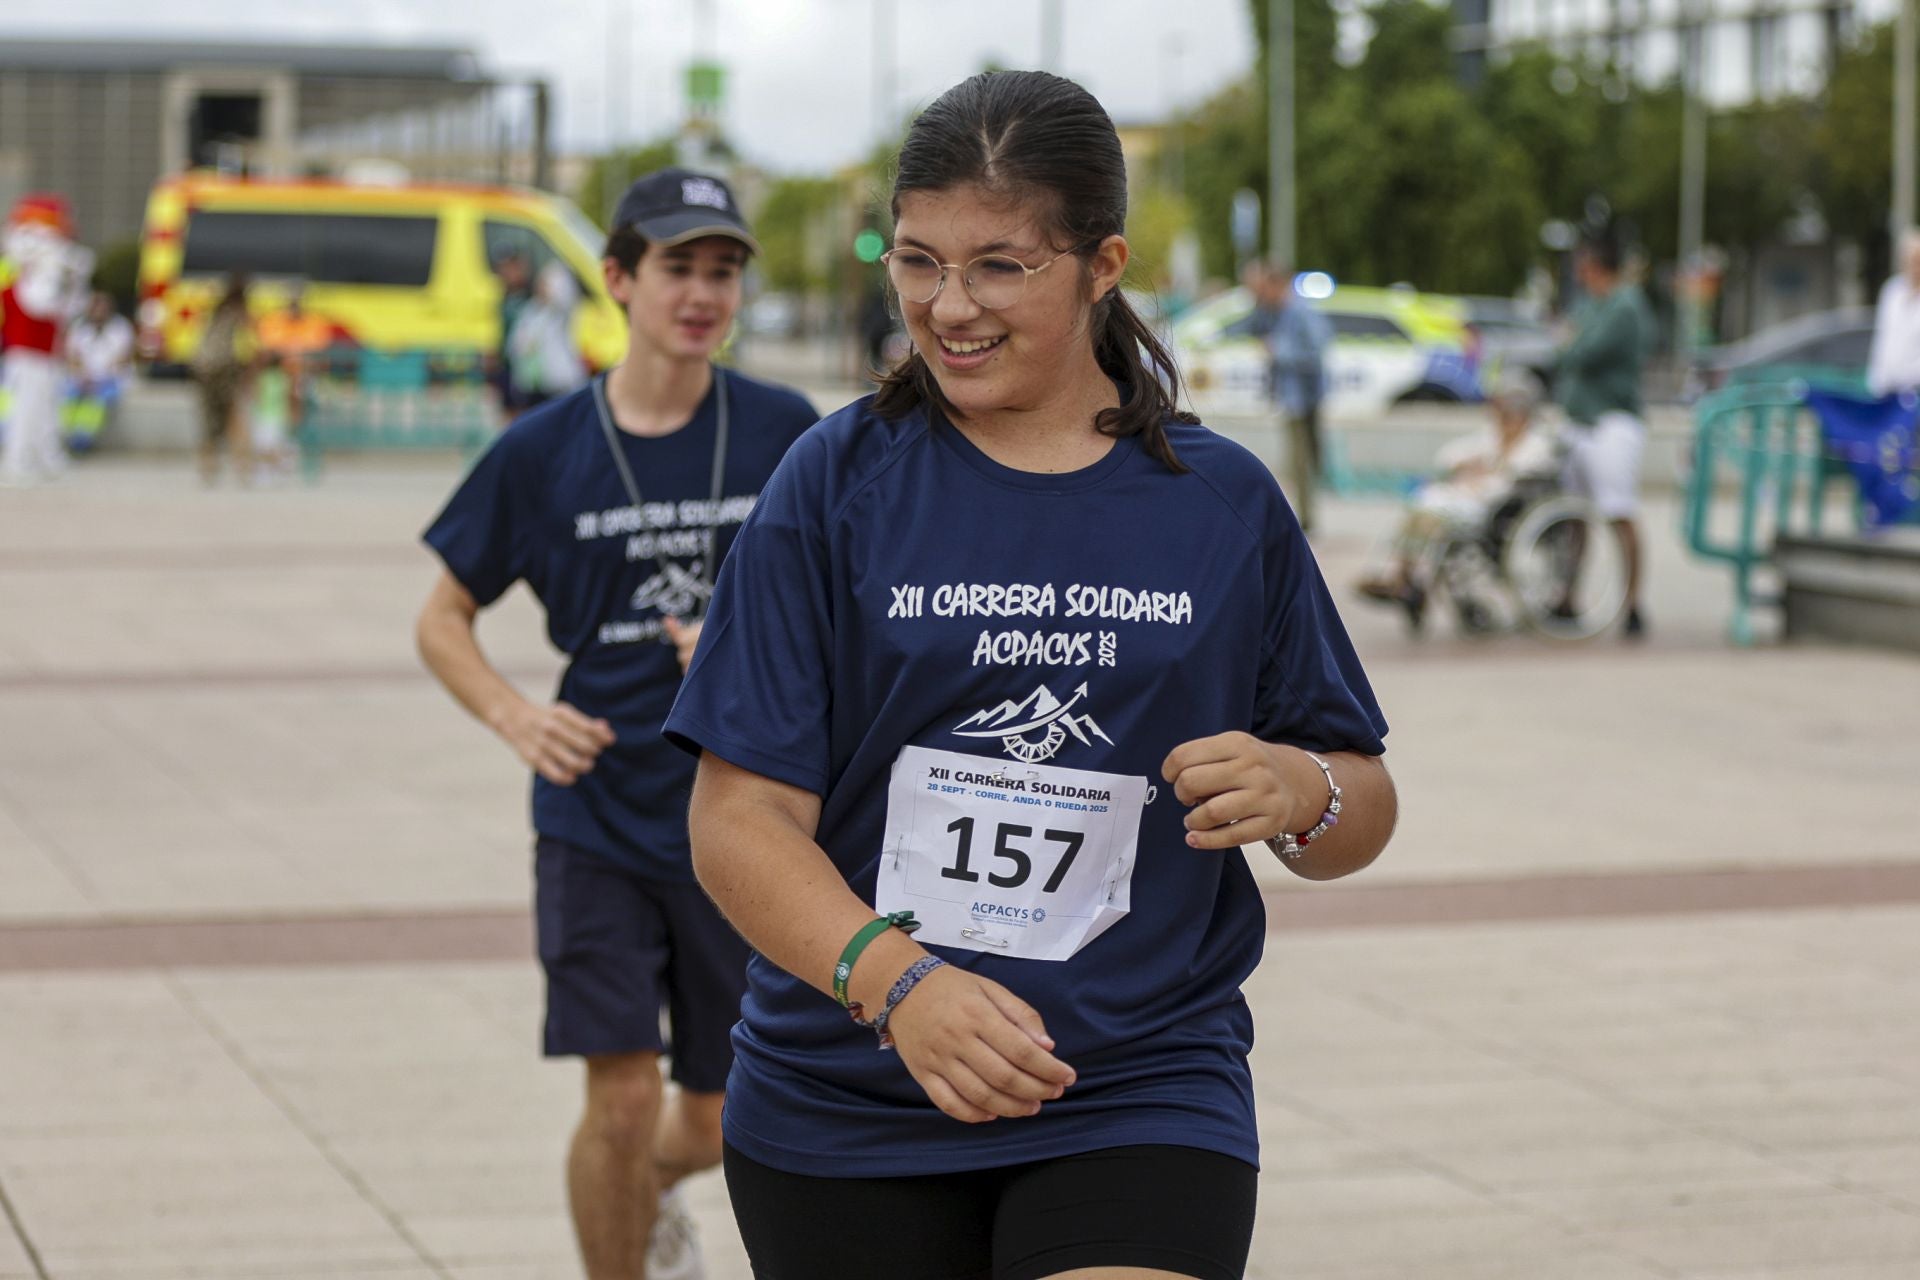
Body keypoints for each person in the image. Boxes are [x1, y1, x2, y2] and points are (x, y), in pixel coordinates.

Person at [663, 71, 1396, 1280]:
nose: (949, 307)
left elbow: (1358, 805)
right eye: (916, 262)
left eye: (1002, 266)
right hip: (850, 1098)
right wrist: (898, 984)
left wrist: (1300, 786)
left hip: (1139, 1086)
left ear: (1104, 262)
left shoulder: (1218, 504)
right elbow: (737, 821)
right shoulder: (831, 485)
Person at [415, 168, 819, 1280]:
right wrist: (514, 715)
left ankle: (638, 1201)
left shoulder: (789, 432)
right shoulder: (545, 448)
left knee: (719, 1109)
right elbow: (443, 616)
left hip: (743, 813)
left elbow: (854, 607)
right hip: (595, 814)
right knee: (623, 1092)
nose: (703, 293)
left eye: (724, 270)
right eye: (678, 267)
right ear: (618, 279)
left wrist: (752, 648)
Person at [1357, 368, 1556, 621]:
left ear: (1523, 414)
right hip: (1465, 494)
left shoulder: (1536, 444)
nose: (1502, 418)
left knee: (1432, 509)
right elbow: (1451, 455)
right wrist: (1469, 465)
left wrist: (1487, 473)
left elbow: (1517, 475)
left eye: (1508, 412)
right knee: (1422, 504)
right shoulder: (1492, 437)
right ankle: (1403, 577)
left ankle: (1407, 581)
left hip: (1492, 507)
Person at [1554, 231, 1655, 637]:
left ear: (1595, 264)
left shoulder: (1624, 306)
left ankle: (1632, 604)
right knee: (1573, 515)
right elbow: (1563, 350)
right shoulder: (1591, 304)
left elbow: (1580, 352)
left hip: (1611, 423)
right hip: (1578, 421)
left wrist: (1569, 342)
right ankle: (1567, 595)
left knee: (1617, 510)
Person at [1232, 259, 1332, 533]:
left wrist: (1279, 353)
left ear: (1278, 284)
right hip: (1294, 397)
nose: (1261, 293)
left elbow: (1315, 353)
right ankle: (1306, 516)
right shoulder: (1273, 312)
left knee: (1302, 460)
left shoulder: (1299, 312)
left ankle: (1308, 519)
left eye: (1264, 288)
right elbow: (1248, 326)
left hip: (1302, 398)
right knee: (1300, 460)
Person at [1, 193, 93, 487]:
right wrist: (56, 273)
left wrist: (73, 281)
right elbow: (39, 305)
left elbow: (68, 310)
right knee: (26, 407)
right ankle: (18, 460)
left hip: (47, 351)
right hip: (26, 351)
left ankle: (46, 454)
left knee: (47, 407)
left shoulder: (46, 268)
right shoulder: (23, 271)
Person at [190, 271, 258, 486]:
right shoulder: (240, 315)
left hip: (206, 372)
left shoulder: (217, 312)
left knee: (209, 422)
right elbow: (247, 348)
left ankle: (208, 469)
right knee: (236, 420)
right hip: (228, 373)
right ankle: (243, 470)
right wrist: (250, 376)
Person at [507, 260, 589, 409]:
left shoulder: (561, 314)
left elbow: (566, 297)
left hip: (561, 382)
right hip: (535, 384)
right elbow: (516, 344)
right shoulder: (531, 311)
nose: (542, 288)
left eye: (546, 284)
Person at [62, 290, 135, 455]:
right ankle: (66, 435)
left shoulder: (120, 327)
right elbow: (73, 357)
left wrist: (98, 378)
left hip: (109, 380)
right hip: (82, 378)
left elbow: (123, 358)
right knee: (67, 395)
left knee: (96, 402)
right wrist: (84, 375)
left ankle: (81, 441)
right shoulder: (79, 327)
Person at [1868, 228, 1920, 397]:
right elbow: (1883, 338)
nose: (1914, 266)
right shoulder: (1892, 290)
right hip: (1887, 390)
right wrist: (1876, 379)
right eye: (1911, 260)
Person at [490, 251, 534, 419]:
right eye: (504, 268)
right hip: (506, 363)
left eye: (513, 267)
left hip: (525, 365)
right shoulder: (504, 296)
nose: (508, 273)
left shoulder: (531, 297)